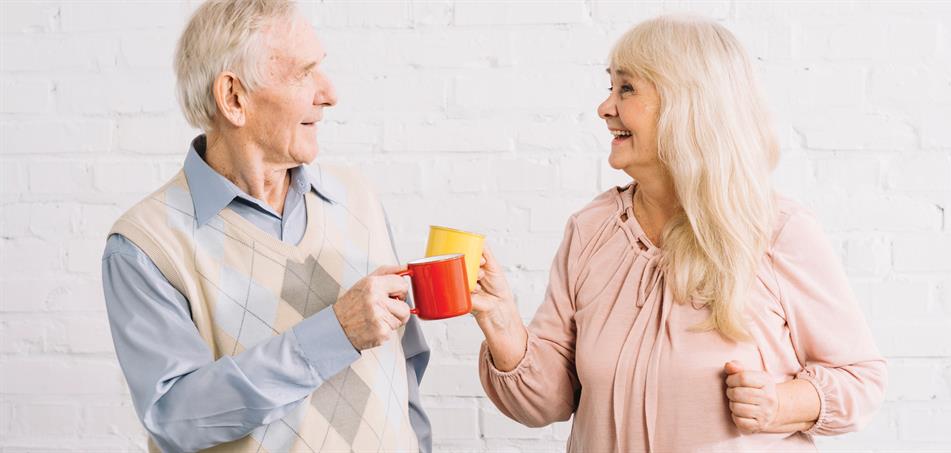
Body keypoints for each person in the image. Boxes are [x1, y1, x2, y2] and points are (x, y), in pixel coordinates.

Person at [471, 15, 886, 452]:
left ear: (687, 104)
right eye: (610, 87)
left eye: (626, 88)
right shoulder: (590, 230)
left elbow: (861, 378)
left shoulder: (777, 231)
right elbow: (547, 405)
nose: (605, 107)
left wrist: (780, 403)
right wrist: (500, 319)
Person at [101, 1, 430, 451]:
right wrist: (334, 333)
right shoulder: (145, 245)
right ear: (234, 98)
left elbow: (404, 365)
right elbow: (176, 416)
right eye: (303, 73)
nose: (330, 94)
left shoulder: (357, 198)